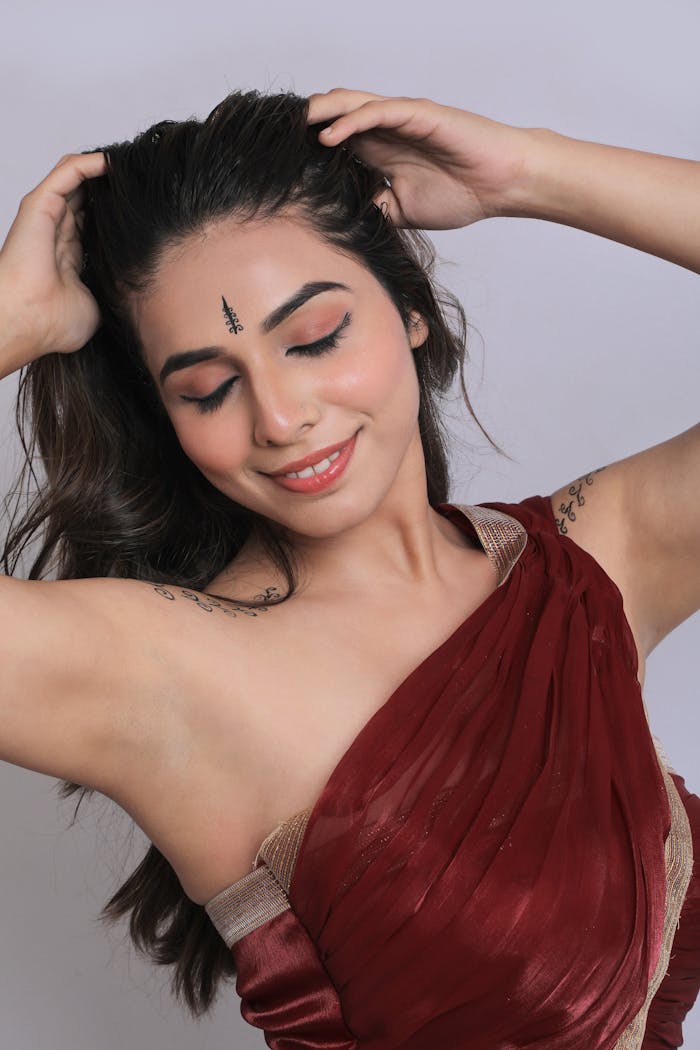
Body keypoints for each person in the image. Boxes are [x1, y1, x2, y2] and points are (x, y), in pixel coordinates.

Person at [0, 86, 698, 1049]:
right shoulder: (163, 671)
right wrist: (16, 323)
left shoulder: (591, 567)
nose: (282, 418)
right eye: (207, 388)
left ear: (409, 309)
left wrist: (529, 173)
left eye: (316, 337)